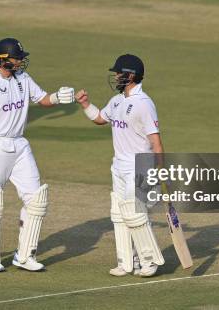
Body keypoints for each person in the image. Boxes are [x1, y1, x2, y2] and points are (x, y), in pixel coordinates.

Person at [0, 38, 75, 272]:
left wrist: (57, 97)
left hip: (20, 145)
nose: (21, 62)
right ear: (3, 60)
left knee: (36, 199)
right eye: (17, 58)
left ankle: (24, 256)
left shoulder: (23, 78)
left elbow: (42, 99)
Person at [75, 54, 165, 277]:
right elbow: (100, 119)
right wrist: (86, 104)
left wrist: (161, 172)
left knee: (134, 214)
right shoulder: (116, 101)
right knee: (118, 214)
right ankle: (127, 262)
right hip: (118, 166)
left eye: (118, 73)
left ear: (131, 76)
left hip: (140, 166)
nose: (115, 76)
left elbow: (156, 142)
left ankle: (149, 261)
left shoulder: (144, 104)